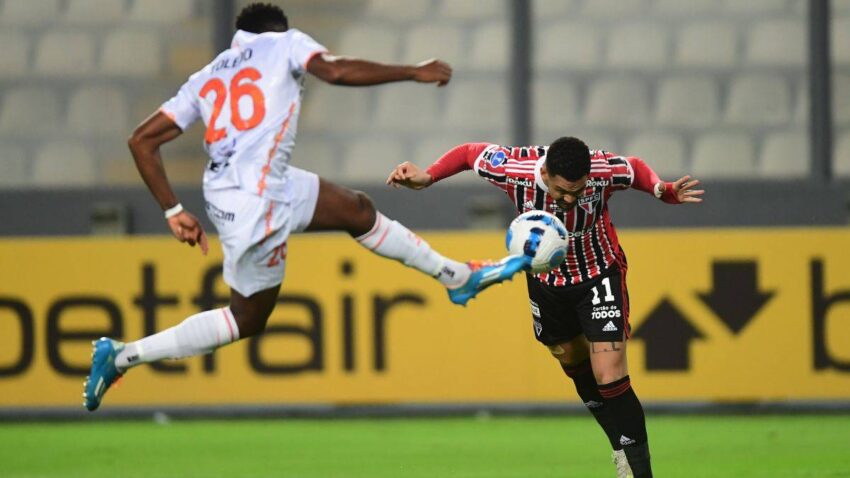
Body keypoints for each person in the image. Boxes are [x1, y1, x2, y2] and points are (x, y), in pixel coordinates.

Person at [83, 3, 527, 412]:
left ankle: (456, 277)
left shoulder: (207, 75)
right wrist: (412, 71)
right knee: (246, 318)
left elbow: (141, 140)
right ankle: (124, 356)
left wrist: (173, 210)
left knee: (356, 209)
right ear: (278, 29)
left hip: (235, 191)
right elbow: (334, 70)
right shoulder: (286, 42)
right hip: (260, 198)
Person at [386, 137, 704, 478]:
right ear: (546, 173)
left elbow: (635, 168)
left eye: (577, 192)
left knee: (609, 374)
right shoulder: (515, 169)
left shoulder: (601, 169)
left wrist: (660, 188)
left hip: (598, 275)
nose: (569, 199)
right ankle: (619, 445)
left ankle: (640, 472)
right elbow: (468, 154)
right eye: (561, 191)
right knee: (570, 357)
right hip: (547, 283)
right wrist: (428, 176)